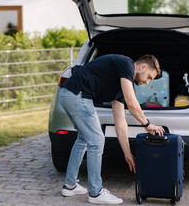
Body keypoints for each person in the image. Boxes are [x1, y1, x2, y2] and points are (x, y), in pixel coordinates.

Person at [59, 54, 165, 205]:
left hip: (68, 95)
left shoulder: (121, 86)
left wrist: (127, 153)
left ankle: (70, 185)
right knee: (96, 140)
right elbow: (132, 102)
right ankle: (96, 193)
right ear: (142, 67)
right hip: (78, 96)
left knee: (83, 138)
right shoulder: (127, 64)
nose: (147, 82)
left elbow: (120, 122)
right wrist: (147, 124)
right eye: (148, 77)